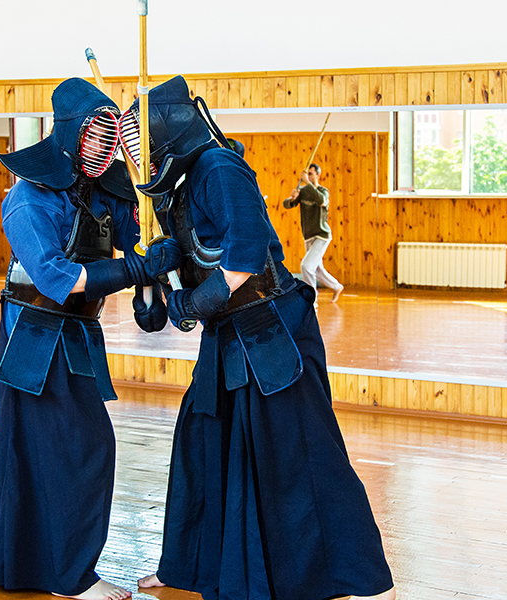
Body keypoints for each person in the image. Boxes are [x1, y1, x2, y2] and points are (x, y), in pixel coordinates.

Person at [128, 76, 395, 600]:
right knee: (201, 444)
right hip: (228, 334)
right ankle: (188, 564)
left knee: (303, 449)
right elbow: (186, 277)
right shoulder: (178, 189)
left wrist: (185, 303)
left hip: (274, 326)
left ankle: (357, 572)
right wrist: (153, 275)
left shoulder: (219, 168)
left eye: (142, 137)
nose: (138, 151)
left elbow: (242, 265)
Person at [0, 77, 165, 600]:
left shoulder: (107, 187)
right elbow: (57, 277)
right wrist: (135, 271)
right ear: (70, 134)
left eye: (112, 133)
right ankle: (70, 575)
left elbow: (136, 243)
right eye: (96, 132)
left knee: (17, 438)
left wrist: (149, 291)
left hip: (78, 330)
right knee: (86, 446)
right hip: (34, 335)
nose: (106, 145)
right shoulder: (27, 198)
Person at [283, 163, 344, 303]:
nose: (308, 176)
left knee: (306, 266)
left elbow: (322, 201)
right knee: (316, 268)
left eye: (311, 174)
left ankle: (311, 299)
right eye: (307, 174)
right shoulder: (303, 191)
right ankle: (337, 286)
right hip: (308, 236)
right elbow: (287, 205)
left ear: (318, 175)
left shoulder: (323, 191)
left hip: (321, 235)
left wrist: (307, 182)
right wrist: (291, 198)